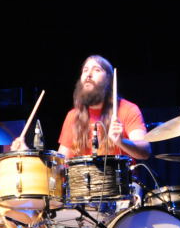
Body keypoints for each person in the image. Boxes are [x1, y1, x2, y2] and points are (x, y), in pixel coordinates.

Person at [11, 55, 151, 160]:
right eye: (85, 70)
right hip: (83, 189)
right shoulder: (73, 116)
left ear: (109, 80)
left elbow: (145, 151)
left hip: (123, 188)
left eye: (97, 70)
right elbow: (61, 163)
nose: (88, 75)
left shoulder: (128, 109)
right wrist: (27, 155)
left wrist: (121, 142)